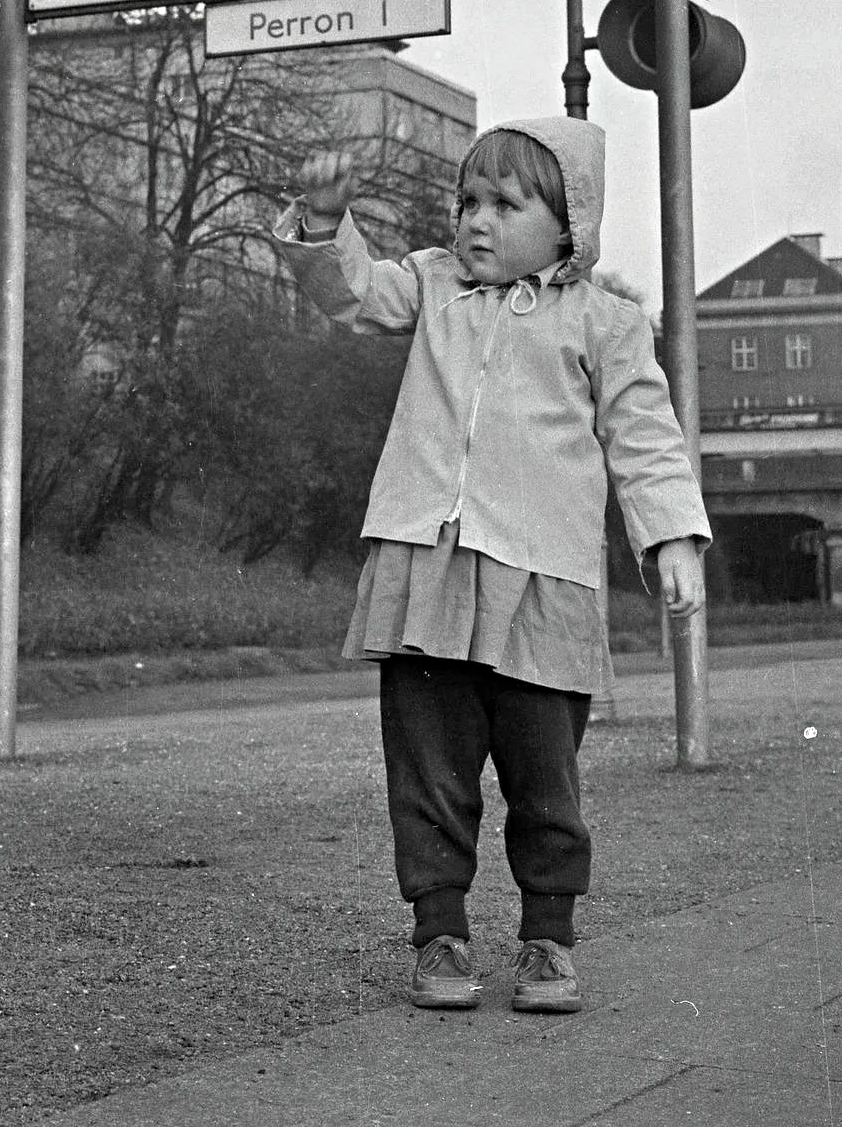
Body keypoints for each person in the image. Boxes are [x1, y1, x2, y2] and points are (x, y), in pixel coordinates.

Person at [274, 116, 709, 1016]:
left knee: (544, 771)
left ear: (569, 225)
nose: (476, 220)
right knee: (428, 764)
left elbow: (645, 435)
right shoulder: (432, 284)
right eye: (468, 200)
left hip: (542, 577)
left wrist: (670, 535)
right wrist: (325, 223)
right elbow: (351, 293)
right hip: (427, 564)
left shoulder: (607, 321)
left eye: (505, 205)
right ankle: (440, 930)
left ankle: (548, 937)